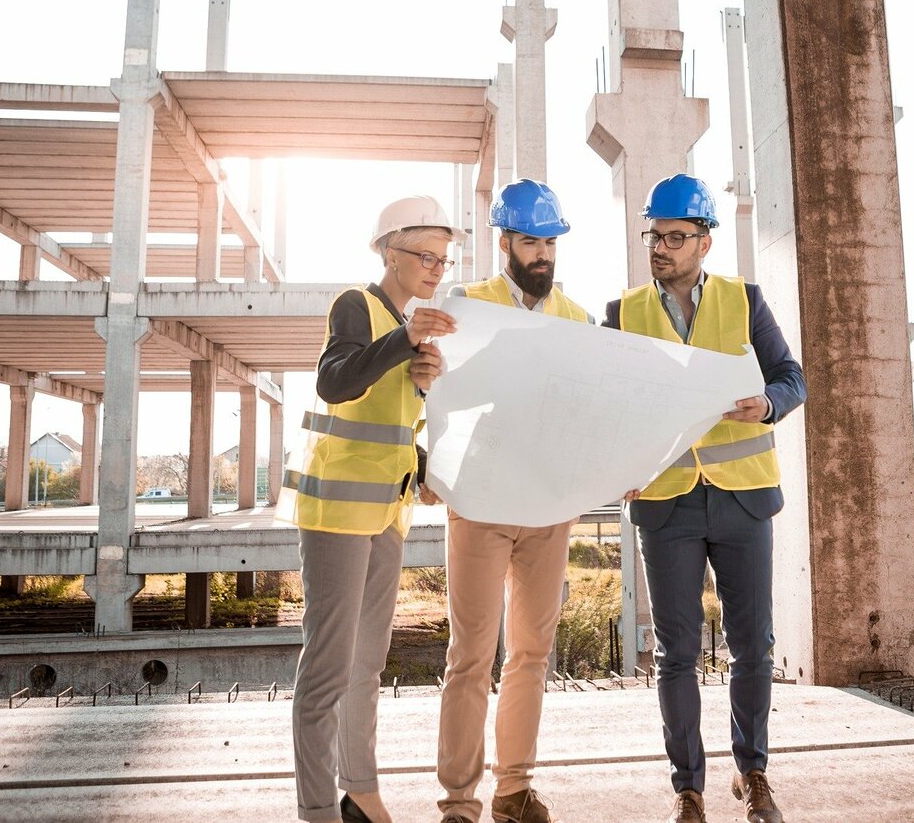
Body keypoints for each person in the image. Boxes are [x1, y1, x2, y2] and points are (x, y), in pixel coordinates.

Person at [603, 174, 806, 823]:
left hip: (742, 499)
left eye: (674, 236)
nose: (659, 246)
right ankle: (688, 788)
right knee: (677, 654)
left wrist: (767, 403)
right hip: (666, 504)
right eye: (653, 235)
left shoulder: (743, 300)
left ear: (704, 241)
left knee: (753, 645)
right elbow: (602, 405)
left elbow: (791, 377)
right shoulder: (624, 313)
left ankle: (754, 774)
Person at [277, 195, 461, 823]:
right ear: (390, 251)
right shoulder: (355, 303)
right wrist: (403, 342)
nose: (436, 267)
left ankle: (360, 789)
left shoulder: (411, 325)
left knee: (367, 662)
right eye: (424, 255)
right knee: (327, 665)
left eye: (444, 258)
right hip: (336, 512)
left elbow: (392, 423)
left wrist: (421, 382)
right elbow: (335, 381)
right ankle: (316, 808)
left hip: (387, 512)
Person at [432, 179, 595, 823]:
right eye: (531, 241)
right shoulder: (467, 305)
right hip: (480, 501)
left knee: (530, 653)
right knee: (469, 655)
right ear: (505, 243)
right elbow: (437, 391)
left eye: (551, 242)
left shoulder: (579, 320)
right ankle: (459, 801)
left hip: (549, 506)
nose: (543, 254)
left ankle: (513, 789)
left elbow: (590, 412)